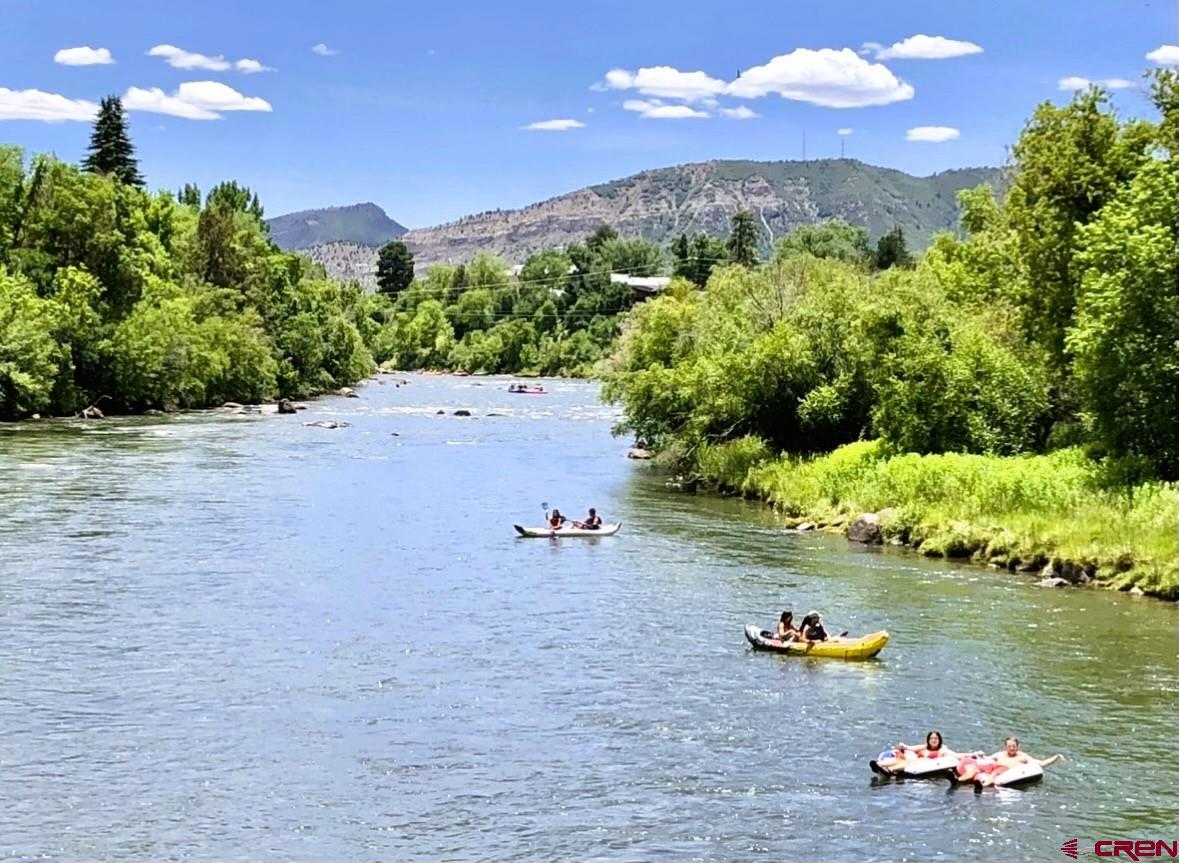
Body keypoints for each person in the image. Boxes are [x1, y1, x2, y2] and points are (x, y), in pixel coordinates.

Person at [955, 737, 1065, 785]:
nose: (1011, 748)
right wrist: (976, 755)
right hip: (991, 768)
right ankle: (958, 781)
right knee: (975, 769)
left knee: (994, 775)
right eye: (1009, 746)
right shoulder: (999, 755)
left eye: (1013, 746)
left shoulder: (1022, 757)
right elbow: (986, 759)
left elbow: (1041, 764)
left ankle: (982, 786)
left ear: (1017, 747)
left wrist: (1056, 758)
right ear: (1005, 747)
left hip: (1002, 772)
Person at [872, 730, 955, 775]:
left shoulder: (942, 750)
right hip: (913, 762)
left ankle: (890, 770)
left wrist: (968, 755)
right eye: (931, 738)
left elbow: (956, 755)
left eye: (936, 738)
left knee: (910, 762)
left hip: (921, 765)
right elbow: (911, 748)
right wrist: (904, 747)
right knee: (902, 759)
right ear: (928, 740)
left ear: (939, 740)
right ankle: (880, 765)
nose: (933, 740)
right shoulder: (924, 747)